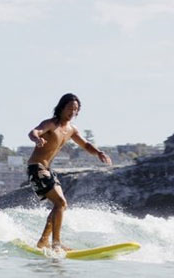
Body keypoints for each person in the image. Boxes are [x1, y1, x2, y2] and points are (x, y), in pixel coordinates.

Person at [26, 93, 112, 251]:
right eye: (70, 108)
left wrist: (99, 152)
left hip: (47, 170)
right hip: (36, 168)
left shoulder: (71, 130)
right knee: (61, 203)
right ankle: (56, 243)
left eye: (76, 109)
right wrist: (37, 139)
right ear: (61, 107)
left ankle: (43, 241)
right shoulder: (51, 124)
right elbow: (34, 131)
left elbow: (85, 145)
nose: (73, 112)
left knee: (61, 206)